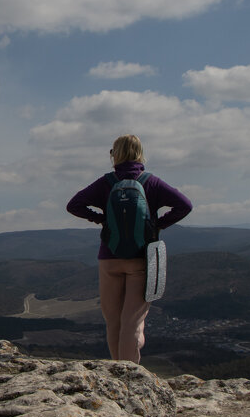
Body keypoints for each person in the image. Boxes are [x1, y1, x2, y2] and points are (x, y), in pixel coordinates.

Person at [67, 134, 192, 364]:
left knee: (113, 322)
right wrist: (157, 225)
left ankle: (117, 371)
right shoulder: (151, 182)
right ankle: (129, 374)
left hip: (109, 258)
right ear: (140, 153)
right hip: (141, 259)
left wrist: (101, 219)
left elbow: (74, 205)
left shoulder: (106, 182)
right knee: (132, 323)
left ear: (115, 154)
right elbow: (185, 205)